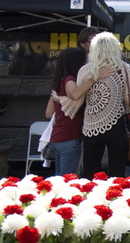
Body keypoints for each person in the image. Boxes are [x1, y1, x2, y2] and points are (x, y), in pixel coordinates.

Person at [71, 32, 130, 178]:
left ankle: (89, 198)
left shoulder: (86, 70)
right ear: (115, 48)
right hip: (116, 123)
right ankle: (115, 197)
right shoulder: (123, 68)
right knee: (117, 171)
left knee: (90, 170)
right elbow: (129, 98)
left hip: (91, 124)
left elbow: (77, 96)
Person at [46, 47, 87, 176]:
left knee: (59, 179)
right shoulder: (70, 80)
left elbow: (48, 113)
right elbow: (74, 94)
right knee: (67, 180)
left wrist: (60, 100)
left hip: (58, 137)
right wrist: (92, 80)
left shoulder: (58, 82)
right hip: (70, 137)